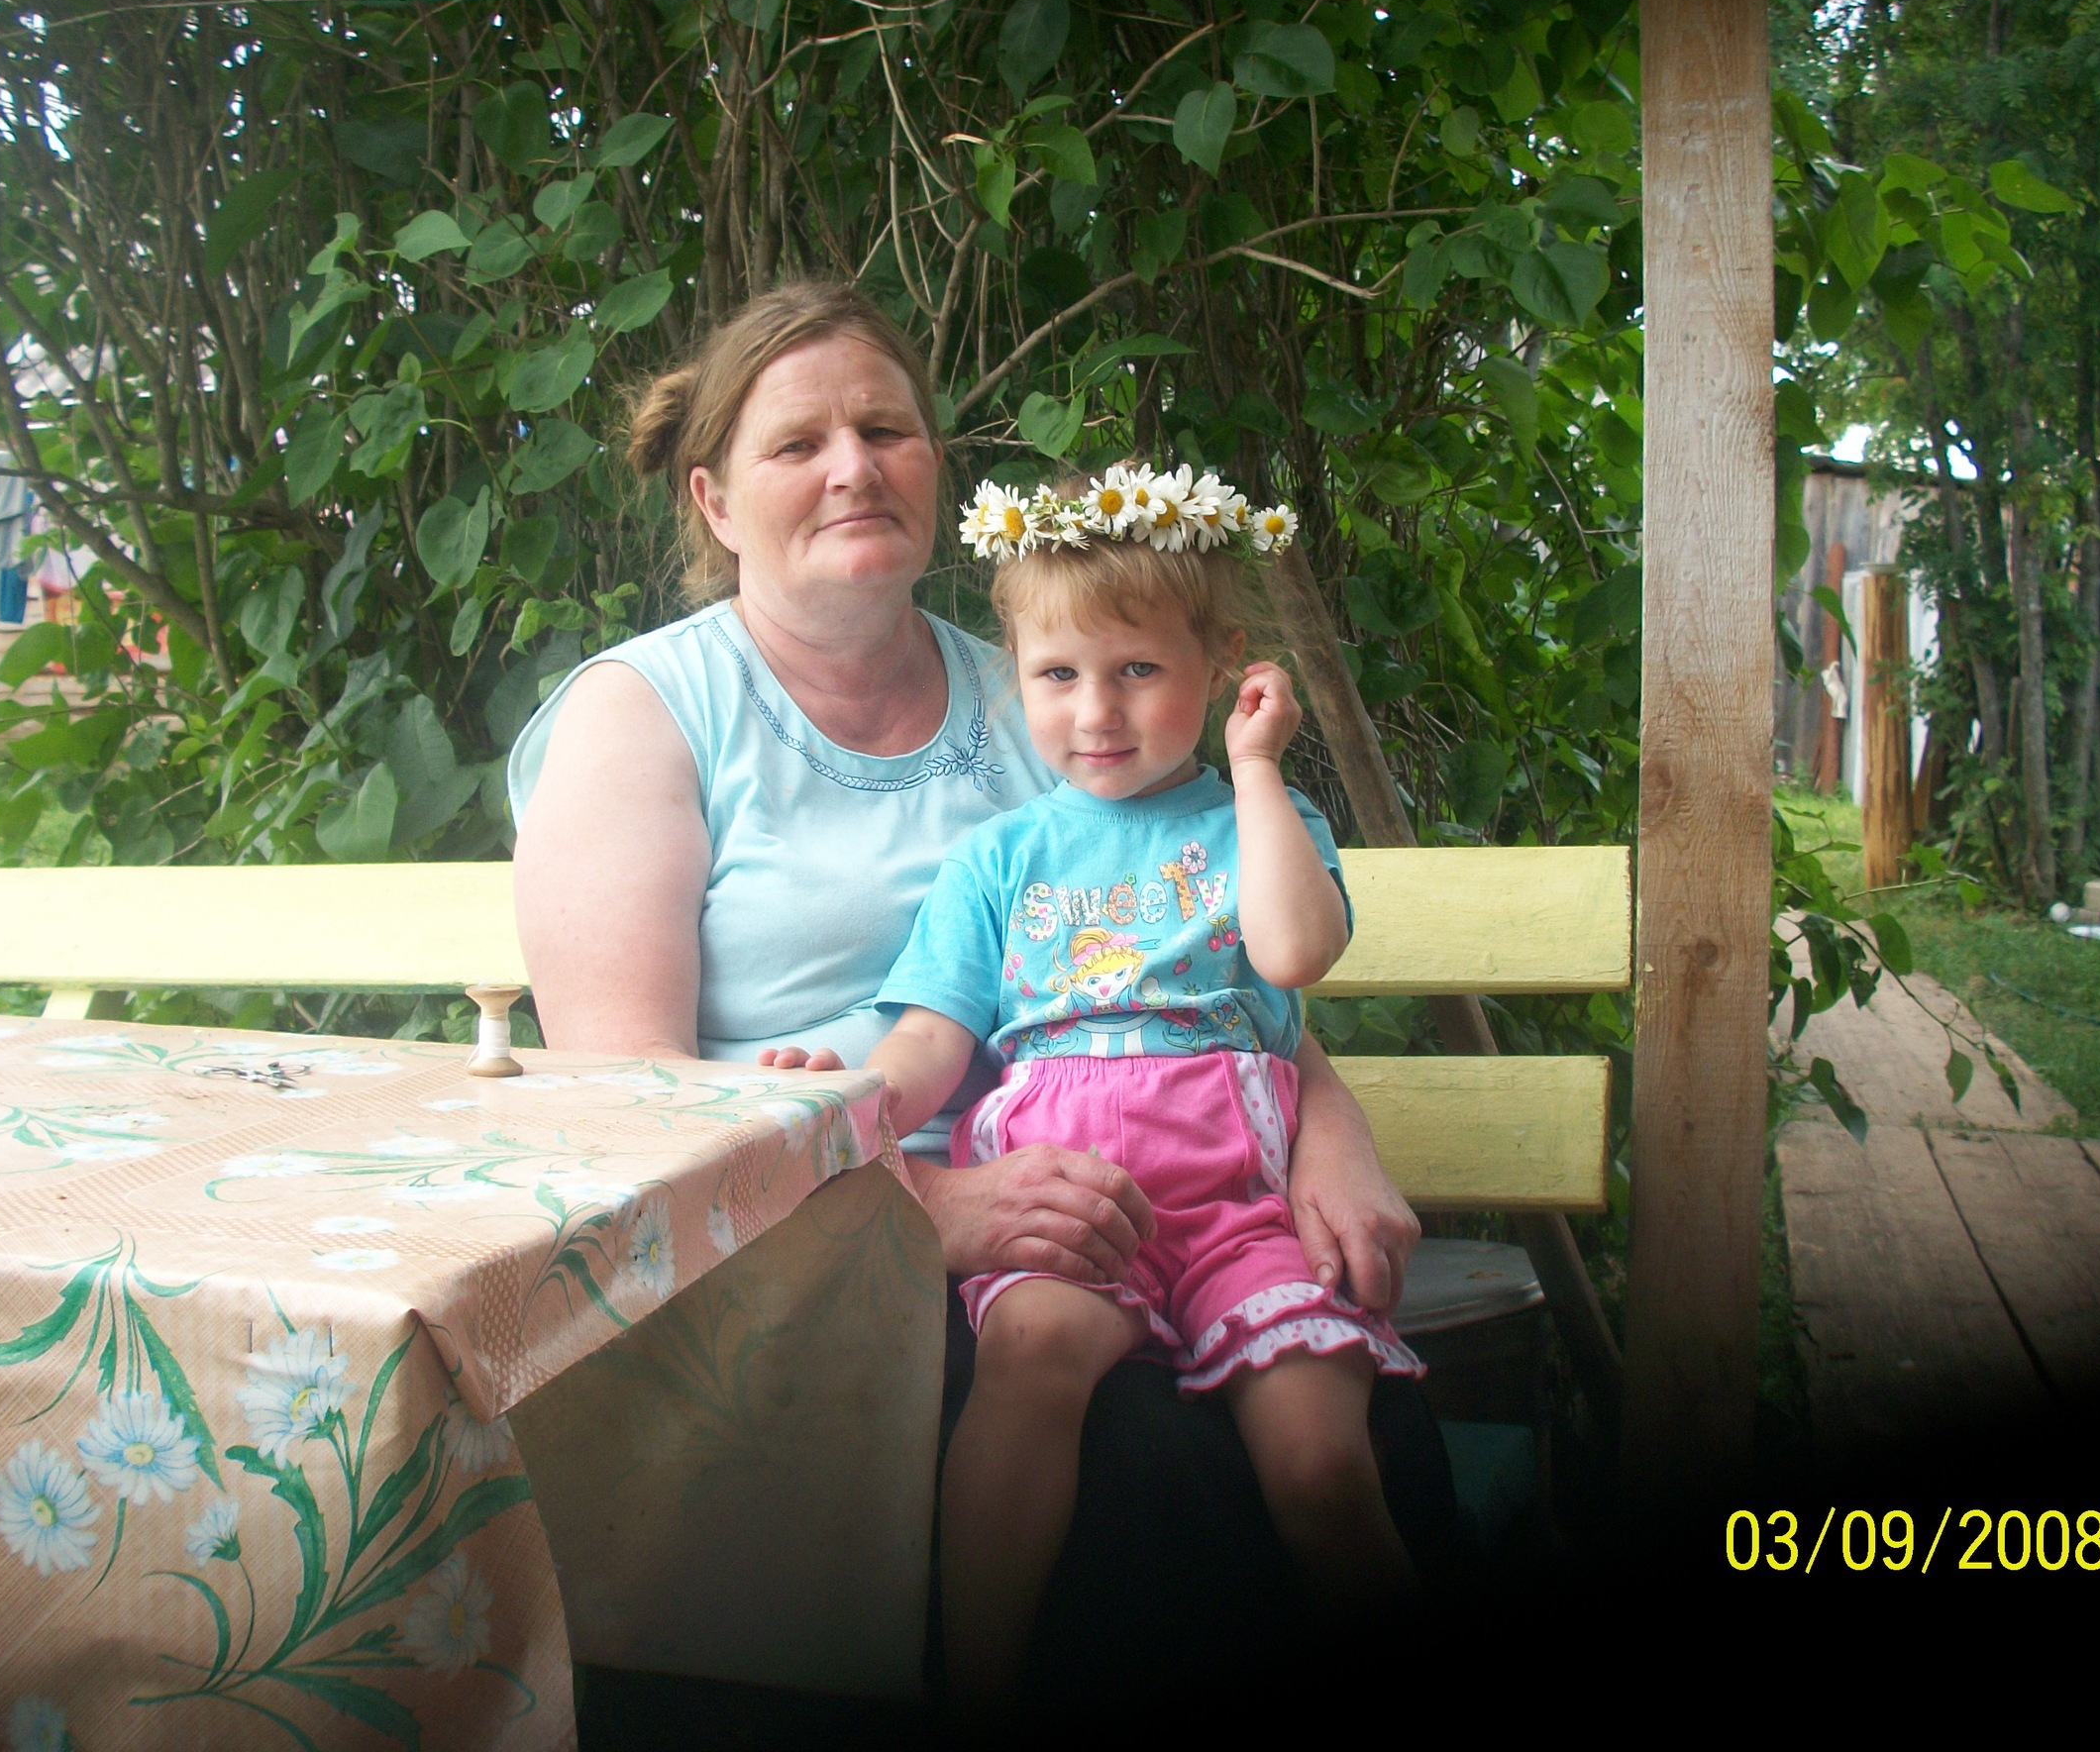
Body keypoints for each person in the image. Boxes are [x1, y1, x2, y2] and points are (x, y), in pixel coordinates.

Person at [507, 281, 1448, 1701]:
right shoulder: (643, 715)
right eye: (797, 443)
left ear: (937, 464)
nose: (853, 466)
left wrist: (1332, 1135)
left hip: (1129, 1189)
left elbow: (1182, 958)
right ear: (712, 500)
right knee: (1137, 1452)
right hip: (804, 1229)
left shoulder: (1045, 689)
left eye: (885, 429)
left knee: (1334, 1406)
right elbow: (623, 1100)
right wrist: (924, 1210)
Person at [870, 469, 1419, 1711]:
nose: (1096, 712)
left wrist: (1257, 771)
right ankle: (978, 1688)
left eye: (1137, 670)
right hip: (1070, 1205)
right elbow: (933, 1041)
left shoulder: (1260, 826)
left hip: (1243, 1215)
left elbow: (1293, 956)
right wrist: (845, 1104)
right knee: (1030, 1353)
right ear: (1016, 676)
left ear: (1220, 663)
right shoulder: (999, 859)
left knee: (1321, 1458)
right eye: (1058, 674)